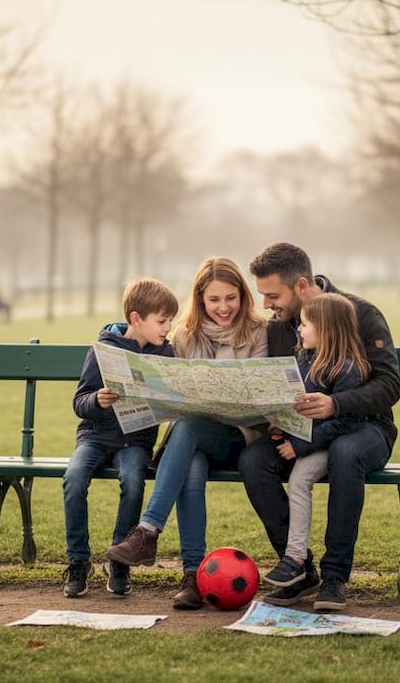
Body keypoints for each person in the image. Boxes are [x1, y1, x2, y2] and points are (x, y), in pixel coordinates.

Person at [239, 242, 400, 611]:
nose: (266, 305)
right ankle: (297, 567)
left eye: (272, 295)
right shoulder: (282, 327)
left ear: (300, 285)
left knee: (346, 453)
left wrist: (336, 404)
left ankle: (335, 577)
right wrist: (277, 421)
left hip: (366, 429)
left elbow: (390, 385)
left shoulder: (360, 313)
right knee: (254, 460)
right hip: (304, 432)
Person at [106, 256, 268, 609]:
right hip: (191, 440)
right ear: (200, 299)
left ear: (242, 296)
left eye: (231, 298)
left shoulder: (258, 333)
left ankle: (147, 530)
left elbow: (264, 401)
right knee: (191, 461)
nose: (223, 307)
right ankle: (193, 577)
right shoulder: (182, 336)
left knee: (190, 427)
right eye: (214, 300)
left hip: (238, 438)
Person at [63, 277, 179, 598]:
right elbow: (79, 402)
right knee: (73, 479)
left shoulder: (164, 354)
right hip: (95, 436)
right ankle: (78, 560)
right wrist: (97, 400)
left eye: (170, 320)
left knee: (133, 480)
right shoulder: (103, 350)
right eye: (162, 320)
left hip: (135, 442)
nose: (168, 327)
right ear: (135, 319)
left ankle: (119, 558)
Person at [260, 293, 372, 592]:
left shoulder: (347, 368)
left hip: (333, 443)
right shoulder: (306, 358)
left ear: (327, 329)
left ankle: (295, 557)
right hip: (312, 440)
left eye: (306, 324)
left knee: (299, 479)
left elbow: (343, 423)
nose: (299, 329)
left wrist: (300, 446)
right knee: (290, 476)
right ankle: (296, 559)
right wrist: (280, 426)